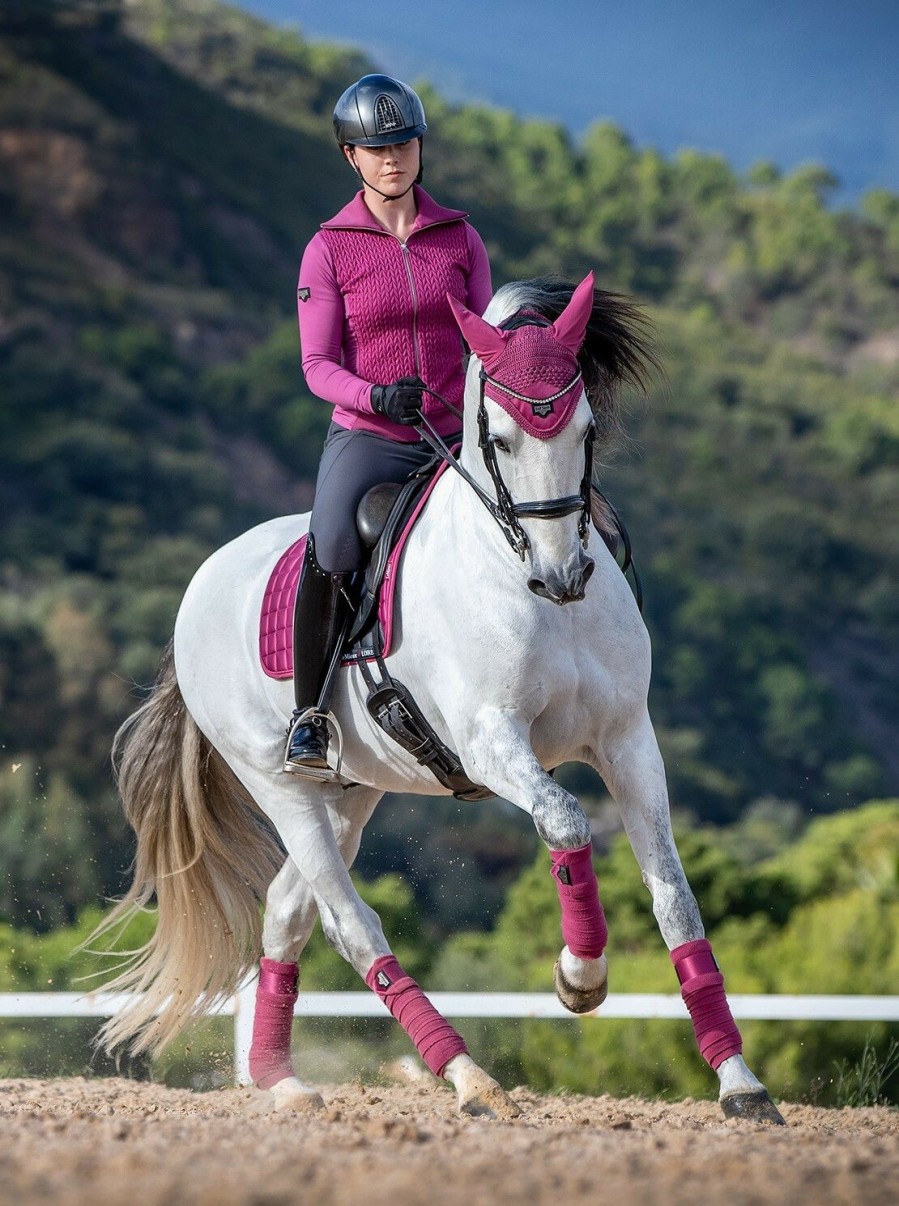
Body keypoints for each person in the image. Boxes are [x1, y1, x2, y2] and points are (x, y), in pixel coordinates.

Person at [284, 74, 493, 775]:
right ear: (350, 156)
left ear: (419, 146)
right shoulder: (329, 249)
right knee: (333, 539)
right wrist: (377, 398)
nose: (392, 159)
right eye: (375, 149)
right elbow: (316, 365)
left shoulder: (459, 238)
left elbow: (486, 343)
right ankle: (308, 717)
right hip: (370, 435)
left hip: (454, 435)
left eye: (402, 144)